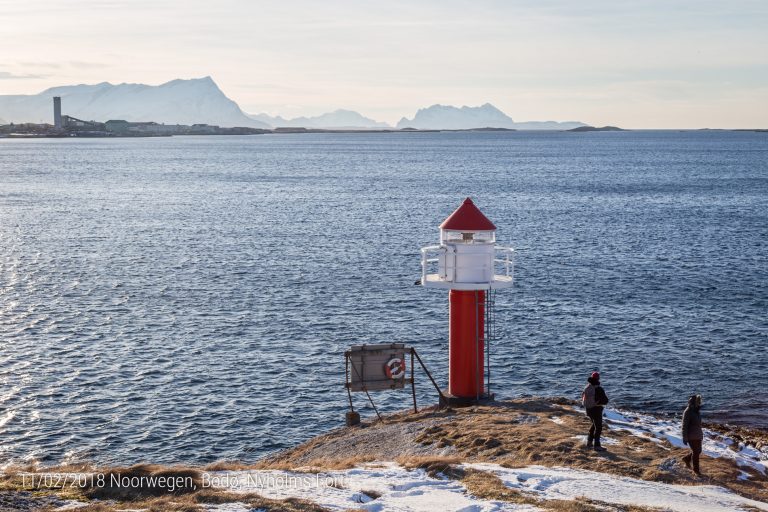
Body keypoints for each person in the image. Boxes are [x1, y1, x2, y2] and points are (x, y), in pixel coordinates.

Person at [582, 371, 609, 451]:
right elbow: (605, 401)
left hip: (588, 410)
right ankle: (597, 446)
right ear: (598, 378)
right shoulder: (599, 389)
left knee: (594, 425)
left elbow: (583, 398)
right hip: (596, 409)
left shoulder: (587, 387)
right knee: (599, 427)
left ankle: (589, 442)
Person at [682, 394, 704, 476]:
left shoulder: (696, 410)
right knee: (696, 452)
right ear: (693, 402)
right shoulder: (688, 411)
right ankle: (696, 471)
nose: (700, 403)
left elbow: (698, 424)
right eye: (698, 401)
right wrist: (685, 437)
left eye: (699, 401)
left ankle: (686, 459)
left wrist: (701, 434)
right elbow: (684, 425)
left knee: (698, 451)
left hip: (698, 434)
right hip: (691, 436)